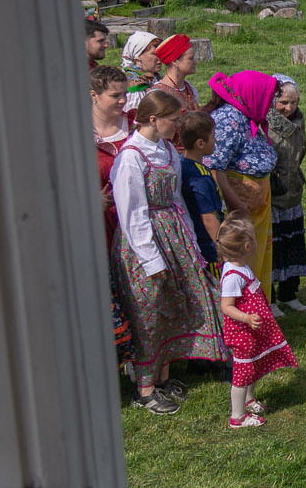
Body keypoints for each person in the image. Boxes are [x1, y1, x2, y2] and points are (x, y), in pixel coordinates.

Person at [111, 88, 224, 412]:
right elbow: (132, 214)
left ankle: (162, 379)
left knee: (173, 305)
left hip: (173, 236)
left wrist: (188, 240)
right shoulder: (131, 156)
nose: (177, 126)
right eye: (173, 120)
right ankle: (144, 390)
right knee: (149, 311)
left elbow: (175, 199)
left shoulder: (167, 151)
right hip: (143, 243)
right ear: (153, 119)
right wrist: (151, 259)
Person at [202, 70, 280, 302]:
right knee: (243, 257)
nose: (271, 104)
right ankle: (245, 313)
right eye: (268, 98)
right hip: (241, 208)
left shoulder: (247, 116)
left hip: (256, 205)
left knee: (257, 255)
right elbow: (215, 168)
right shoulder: (228, 120)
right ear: (252, 94)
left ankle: (260, 309)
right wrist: (236, 203)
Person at [216, 217, 297, 426]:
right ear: (246, 246)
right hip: (241, 333)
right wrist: (246, 318)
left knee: (253, 366)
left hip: (251, 331)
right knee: (242, 374)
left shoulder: (242, 267)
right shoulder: (233, 274)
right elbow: (226, 306)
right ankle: (237, 416)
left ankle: (249, 400)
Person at [92, 65, 136, 367]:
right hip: (97, 224)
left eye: (125, 94)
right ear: (93, 95)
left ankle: (142, 358)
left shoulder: (134, 125)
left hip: (133, 218)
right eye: (114, 95)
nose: (122, 101)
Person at [268, 76, 306, 313]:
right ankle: (270, 297)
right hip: (273, 192)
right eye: (283, 102)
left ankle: (288, 292)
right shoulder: (266, 121)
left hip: (292, 189)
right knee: (273, 244)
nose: (289, 108)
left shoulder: (299, 118)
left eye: (293, 102)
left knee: (292, 240)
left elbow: (301, 150)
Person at [173, 111, 223, 265]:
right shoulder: (200, 176)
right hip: (208, 247)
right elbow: (208, 217)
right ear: (200, 143)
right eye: (213, 136)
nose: (215, 140)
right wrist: (222, 248)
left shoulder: (181, 164)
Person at [120, 32, 162, 123]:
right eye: (154, 54)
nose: (160, 57)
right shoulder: (134, 84)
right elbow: (134, 119)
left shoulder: (155, 77)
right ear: (138, 55)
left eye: (160, 52)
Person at [154, 34, 200, 112]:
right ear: (175, 62)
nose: (195, 62)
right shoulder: (158, 94)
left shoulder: (190, 88)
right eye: (191, 58)